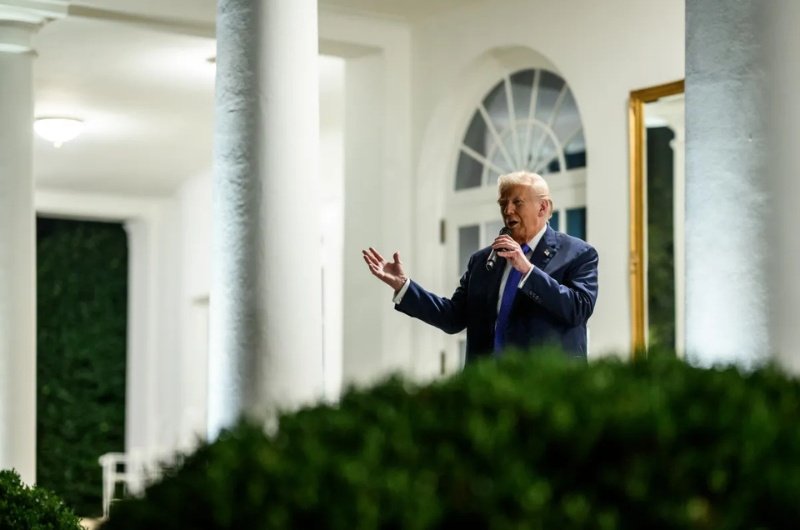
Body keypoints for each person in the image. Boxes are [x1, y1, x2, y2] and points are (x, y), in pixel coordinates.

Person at [362, 171, 598, 363]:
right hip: (488, 392)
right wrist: (404, 286)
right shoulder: (483, 261)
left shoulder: (578, 254)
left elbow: (578, 309)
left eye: (517, 202)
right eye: (503, 203)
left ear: (543, 208)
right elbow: (453, 317)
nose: (508, 211)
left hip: (546, 394)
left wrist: (527, 270)